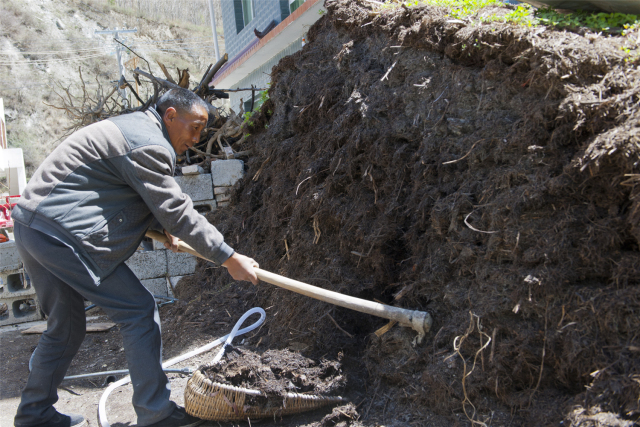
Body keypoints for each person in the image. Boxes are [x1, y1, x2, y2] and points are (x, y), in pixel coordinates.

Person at [11, 88, 259, 427]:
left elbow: (118, 187)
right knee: (139, 311)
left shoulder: (134, 130)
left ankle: (33, 414)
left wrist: (160, 223)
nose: (198, 138)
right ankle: (155, 413)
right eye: (195, 126)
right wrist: (228, 257)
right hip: (62, 237)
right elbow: (177, 210)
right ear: (170, 115)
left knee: (65, 326)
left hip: (33, 227)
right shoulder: (150, 144)